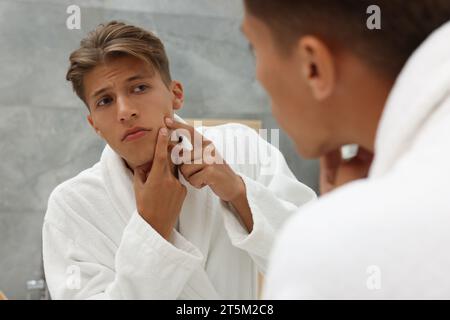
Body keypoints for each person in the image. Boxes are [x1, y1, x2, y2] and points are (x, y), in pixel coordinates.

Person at [42, 21, 316, 299]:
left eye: (138, 88)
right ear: (94, 124)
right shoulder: (73, 205)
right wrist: (152, 229)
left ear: (176, 94)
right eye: (105, 101)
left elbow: (314, 261)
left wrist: (238, 192)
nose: (125, 111)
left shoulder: (243, 148)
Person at [241, 0, 450, 298]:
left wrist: (344, 227)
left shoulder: (335, 242)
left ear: (313, 67)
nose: (257, 77)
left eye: (253, 48)